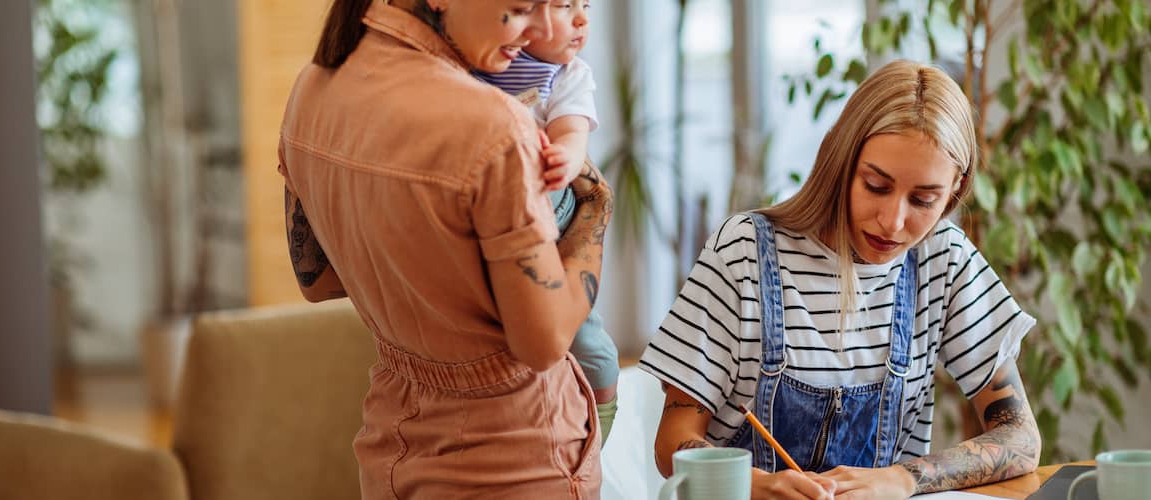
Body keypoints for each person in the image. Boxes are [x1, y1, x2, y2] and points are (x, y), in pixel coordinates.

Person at [640, 59, 1041, 499]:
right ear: (841, 159)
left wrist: (903, 478)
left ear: (955, 190)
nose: (893, 222)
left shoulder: (942, 259)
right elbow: (673, 442)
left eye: (924, 199)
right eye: (876, 186)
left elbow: (1020, 439)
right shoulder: (744, 252)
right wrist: (761, 486)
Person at [278, 0, 612, 498]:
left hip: (392, 444)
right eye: (521, 8)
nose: (538, 30)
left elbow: (318, 282)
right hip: (515, 459)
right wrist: (595, 210)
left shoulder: (313, 86)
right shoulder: (493, 127)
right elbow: (543, 344)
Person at [473, 0, 620, 445]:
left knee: (594, 350)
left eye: (585, 7)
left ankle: (599, 432)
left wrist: (567, 158)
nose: (581, 20)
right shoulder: (476, 67)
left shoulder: (569, 75)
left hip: (554, 221)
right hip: (500, 220)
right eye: (562, 6)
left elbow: (574, 131)